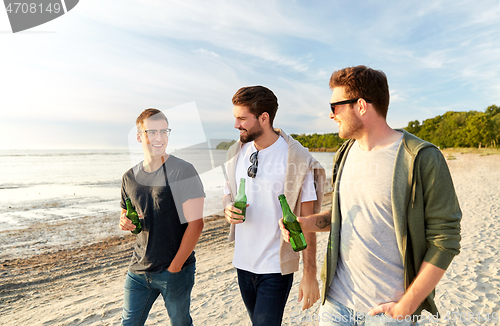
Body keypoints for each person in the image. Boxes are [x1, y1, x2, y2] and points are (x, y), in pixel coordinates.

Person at [280, 66, 462, 325]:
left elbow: (446, 239)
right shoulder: (343, 154)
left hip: (387, 313)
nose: (331, 115)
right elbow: (345, 216)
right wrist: (305, 223)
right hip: (336, 305)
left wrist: (407, 306)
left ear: (361, 106)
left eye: (335, 107)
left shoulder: (421, 158)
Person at [223, 86, 326, 325]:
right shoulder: (235, 154)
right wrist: (228, 209)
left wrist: (310, 274)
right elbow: (227, 195)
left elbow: (307, 221)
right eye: (235, 118)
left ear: (264, 118)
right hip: (242, 264)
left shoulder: (296, 159)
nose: (236, 125)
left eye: (242, 118)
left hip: (275, 267)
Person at [119, 108, 205, 326]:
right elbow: (126, 209)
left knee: (180, 322)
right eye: (151, 132)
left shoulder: (183, 171)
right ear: (139, 136)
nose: (159, 137)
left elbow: (196, 224)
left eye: (163, 131)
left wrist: (175, 267)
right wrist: (124, 221)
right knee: (129, 322)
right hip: (138, 268)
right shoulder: (129, 177)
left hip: (174, 270)